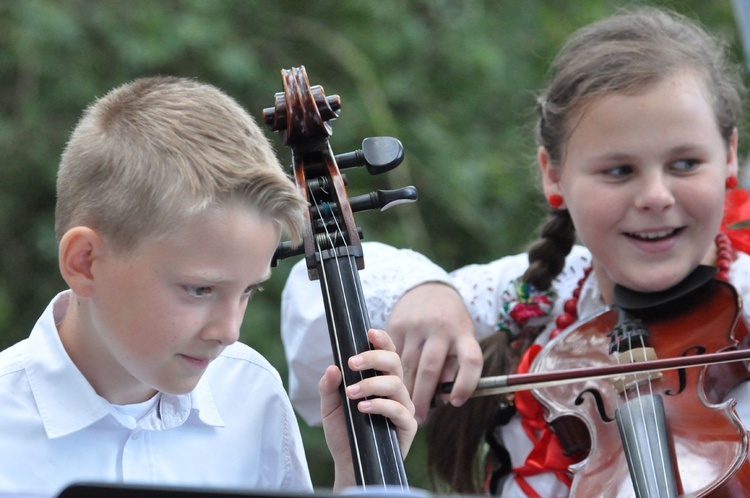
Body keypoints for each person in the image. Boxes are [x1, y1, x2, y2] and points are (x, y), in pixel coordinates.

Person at [281, 6, 750, 496]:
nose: (656, 196)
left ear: (730, 155)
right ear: (553, 174)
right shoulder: (538, 296)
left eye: (685, 162)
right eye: (618, 171)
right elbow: (316, 325)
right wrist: (424, 293)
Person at [0, 76, 417, 498]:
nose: (229, 331)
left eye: (249, 291)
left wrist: (354, 478)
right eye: (199, 291)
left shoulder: (252, 396)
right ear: (85, 263)